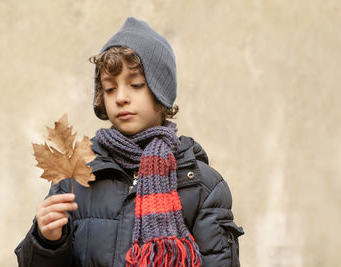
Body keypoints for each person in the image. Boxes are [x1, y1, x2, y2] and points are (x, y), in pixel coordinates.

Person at [15, 17, 244, 267]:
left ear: (161, 92)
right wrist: (46, 241)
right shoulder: (75, 177)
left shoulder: (204, 187)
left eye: (135, 85)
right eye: (110, 89)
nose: (121, 98)